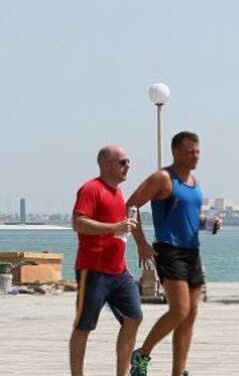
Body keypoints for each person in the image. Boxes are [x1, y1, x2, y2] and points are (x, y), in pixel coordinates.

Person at [127, 131, 222, 376]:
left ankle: (178, 372)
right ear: (176, 152)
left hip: (192, 252)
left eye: (198, 152)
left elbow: (189, 218)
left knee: (190, 314)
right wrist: (141, 243)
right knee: (179, 310)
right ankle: (142, 354)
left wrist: (209, 223)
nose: (195, 156)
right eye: (190, 152)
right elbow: (131, 205)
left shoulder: (194, 183)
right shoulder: (162, 178)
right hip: (169, 250)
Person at [70, 145, 142, 376]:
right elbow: (78, 222)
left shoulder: (118, 194)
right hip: (94, 270)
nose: (128, 166)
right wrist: (114, 227)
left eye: (128, 162)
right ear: (106, 164)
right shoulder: (91, 189)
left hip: (119, 272)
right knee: (84, 326)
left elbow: (118, 231)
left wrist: (128, 234)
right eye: (122, 162)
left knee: (134, 317)